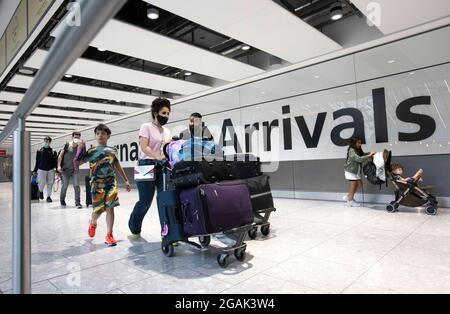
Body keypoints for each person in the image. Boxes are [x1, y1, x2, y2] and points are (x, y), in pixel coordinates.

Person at [79, 124, 131, 247]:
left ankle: (109, 234)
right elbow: (79, 162)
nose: (100, 135)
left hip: (110, 183)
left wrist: (126, 180)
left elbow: (117, 166)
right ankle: (93, 222)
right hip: (97, 185)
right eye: (97, 133)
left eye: (103, 133)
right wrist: (80, 150)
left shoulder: (112, 151)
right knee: (98, 211)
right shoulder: (91, 152)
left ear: (108, 136)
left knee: (110, 208)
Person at [129, 98, 172, 238]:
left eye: (168, 113)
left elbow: (168, 149)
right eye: (163, 112)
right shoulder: (146, 127)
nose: (166, 116)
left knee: (164, 199)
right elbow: (144, 147)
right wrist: (157, 156)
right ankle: (134, 227)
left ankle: (167, 232)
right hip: (145, 165)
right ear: (155, 112)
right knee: (145, 201)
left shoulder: (167, 131)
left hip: (163, 167)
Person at [343, 137, 375, 207]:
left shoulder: (358, 149)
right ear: (353, 143)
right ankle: (350, 201)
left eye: (360, 143)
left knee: (359, 185)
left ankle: (349, 196)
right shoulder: (351, 150)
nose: (360, 144)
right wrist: (369, 155)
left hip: (356, 171)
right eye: (358, 143)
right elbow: (358, 159)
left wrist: (369, 154)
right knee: (353, 185)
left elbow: (362, 155)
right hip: (350, 171)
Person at [58, 132, 83, 208]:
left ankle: (77, 202)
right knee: (65, 186)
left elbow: (82, 158)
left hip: (75, 170)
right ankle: (62, 199)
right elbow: (60, 156)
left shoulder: (80, 147)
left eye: (78, 137)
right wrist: (58, 166)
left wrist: (79, 163)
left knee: (76, 186)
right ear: (72, 137)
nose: (76, 139)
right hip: (65, 170)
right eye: (75, 137)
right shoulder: (67, 145)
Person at [32, 136, 57, 202]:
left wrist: (57, 170)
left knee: (50, 183)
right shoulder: (39, 151)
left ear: (50, 142)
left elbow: (55, 161)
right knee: (41, 183)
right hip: (41, 169)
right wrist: (35, 171)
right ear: (44, 141)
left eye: (48, 141)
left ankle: (48, 196)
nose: (46, 142)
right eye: (45, 141)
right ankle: (40, 191)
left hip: (50, 170)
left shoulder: (53, 151)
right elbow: (37, 161)